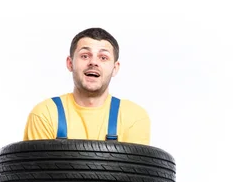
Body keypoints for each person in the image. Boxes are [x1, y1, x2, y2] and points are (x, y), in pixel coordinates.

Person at [23, 27, 151, 145]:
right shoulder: (45, 114)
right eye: (85, 56)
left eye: (103, 57)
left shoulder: (133, 117)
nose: (93, 62)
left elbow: (135, 169)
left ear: (115, 68)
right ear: (70, 63)